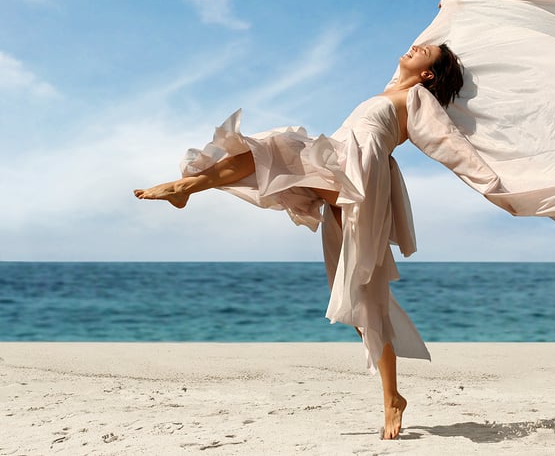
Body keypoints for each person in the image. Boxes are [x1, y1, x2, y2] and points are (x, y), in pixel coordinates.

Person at [134, 43, 464, 440]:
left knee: (278, 148)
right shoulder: (393, 87)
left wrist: (504, 188)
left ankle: (187, 185)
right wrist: (448, 8)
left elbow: (450, 144)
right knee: (361, 297)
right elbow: (428, 43)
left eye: (428, 51)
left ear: (430, 74)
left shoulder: (415, 99)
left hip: (362, 174)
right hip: (339, 163)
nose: (418, 47)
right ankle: (392, 396)